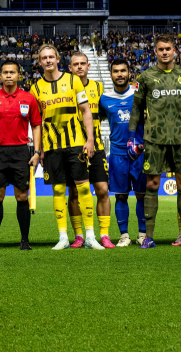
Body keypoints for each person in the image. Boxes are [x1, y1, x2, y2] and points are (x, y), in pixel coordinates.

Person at [29, 44, 100, 250]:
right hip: (51, 147)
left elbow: (86, 111)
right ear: (40, 62)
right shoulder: (35, 89)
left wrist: (90, 140)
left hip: (76, 143)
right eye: (44, 58)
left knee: (84, 187)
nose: (48, 60)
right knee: (58, 189)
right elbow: (37, 122)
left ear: (58, 58)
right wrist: (39, 149)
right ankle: (63, 237)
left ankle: (90, 236)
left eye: (51, 56)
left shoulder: (73, 80)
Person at [130, 35, 181, 249]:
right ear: (155, 52)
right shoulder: (146, 76)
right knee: (152, 184)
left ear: (175, 51)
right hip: (154, 139)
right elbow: (137, 107)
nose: (165, 52)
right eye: (161, 49)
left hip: (180, 137)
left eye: (168, 48)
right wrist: (132, 135)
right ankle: (148, 236)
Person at [0, 59, 42, 250]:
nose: (8, 76)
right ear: (0, 75)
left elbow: (36, 126)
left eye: (12, 72)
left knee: (22, 196)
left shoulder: (28, 98)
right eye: (5, 72)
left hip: (21, 151)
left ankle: (24, 240)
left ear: (18, 75)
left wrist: (37, 152)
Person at [67, 51, 112, 249]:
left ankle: (104, 234)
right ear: (70, 68)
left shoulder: (99, 87)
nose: (79, 67)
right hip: (72, 147)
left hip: (96, 146)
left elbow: (105, 111)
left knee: (102, 190)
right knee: (74, 192)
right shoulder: (64, 87)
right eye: (75, 64)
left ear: (88, 66)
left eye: (82, 63)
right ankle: (78, 235)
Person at [100, 58, 145, 247]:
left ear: (129, 73)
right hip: (117, 154)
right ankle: (124, 235)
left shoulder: (139, 95)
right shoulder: (104, 98)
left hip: (140, 152)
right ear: (111, 74)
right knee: (120, 195)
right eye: (116, 71)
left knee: (142, 194)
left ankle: (143, 234)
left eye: (123, 71)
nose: (120, 74)